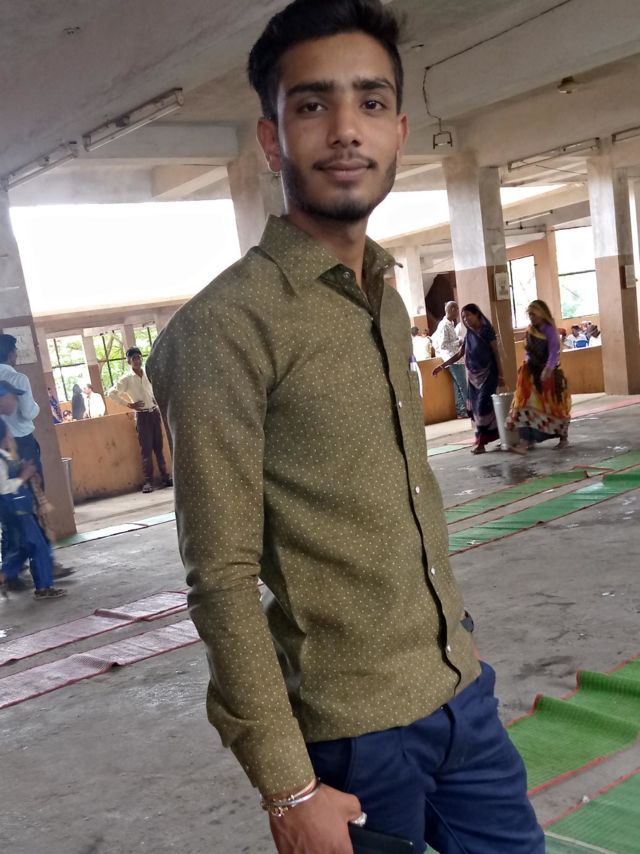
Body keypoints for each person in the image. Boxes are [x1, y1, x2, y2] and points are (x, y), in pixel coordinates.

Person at [147, 3, 544, 852]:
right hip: (354, 742)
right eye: (311, 104)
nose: (344, 129)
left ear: (399, 131)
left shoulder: (386, 301)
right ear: (271, 138)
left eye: (369, 101)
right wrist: (289, 787)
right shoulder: (224, 330)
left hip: (461, 696)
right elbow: (220, 577)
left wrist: (461, 648)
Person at [0, 418, 66, 599]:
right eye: (8, 433)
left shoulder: (7, 458)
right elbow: (3, 487)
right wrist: (23, 476)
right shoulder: (1, 460)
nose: (11, 437)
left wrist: (22, 471)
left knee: (23, 549)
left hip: (17, 511)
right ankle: (44, 587)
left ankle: (4, 574)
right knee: (40, 546)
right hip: (18, 512)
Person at [433, 304, 504, 455]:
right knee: (478, 410)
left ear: (477, 314)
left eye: (468, 316)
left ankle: (481, 443)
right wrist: (442, 366)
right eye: (463, 317)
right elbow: (460, 354)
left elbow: (496, 353)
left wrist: (501, 375)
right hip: (473, 378)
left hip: (488, 376)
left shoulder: (487, 331)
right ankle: (501, 435)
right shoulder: (469, 334)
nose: (465, 320)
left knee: (482, 407)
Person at [506, 299, 571, 454]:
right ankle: (525, 441)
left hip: (548, 375)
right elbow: (528, 352)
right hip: (530, 375)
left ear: (542, 314)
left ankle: (563, 437)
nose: (531, 317)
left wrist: (548, 369)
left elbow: (554, 351)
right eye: (529, 315)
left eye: (534, 314)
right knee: (524, 405)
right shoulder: (530, 330)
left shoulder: (549, 330)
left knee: (553, 408)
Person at [108, 348, 172, 493]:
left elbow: (156, 388)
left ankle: (165, 477)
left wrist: (156, 399)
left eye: (139, 357)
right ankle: (148, 482)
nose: (137, 360)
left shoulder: (148, 373)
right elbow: (111, 393)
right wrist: (129, 405)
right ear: (128, 361)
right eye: (134, 358)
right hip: (142, 416)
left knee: (159, 448)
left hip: (154, 413)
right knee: (146, 450)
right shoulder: (126, 379)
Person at [0, 333, 44, 486]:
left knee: (10, 485)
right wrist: (36, 406)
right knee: (34, 488)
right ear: (10, 354)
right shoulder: (18, 379)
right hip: (22, 443)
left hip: (2, 444)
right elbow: (28, 412)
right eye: (15, 351)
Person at [433, 301, 468, 418]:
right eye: (457, 310)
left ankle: (461, 410)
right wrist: (459, 342)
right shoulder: (444, 325)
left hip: (456, 358)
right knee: (463, 385)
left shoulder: (451, 324)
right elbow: (443, 345)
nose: (458, 313)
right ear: (452, 309)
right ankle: (468, 409)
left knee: (457, 386)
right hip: (453, 359)